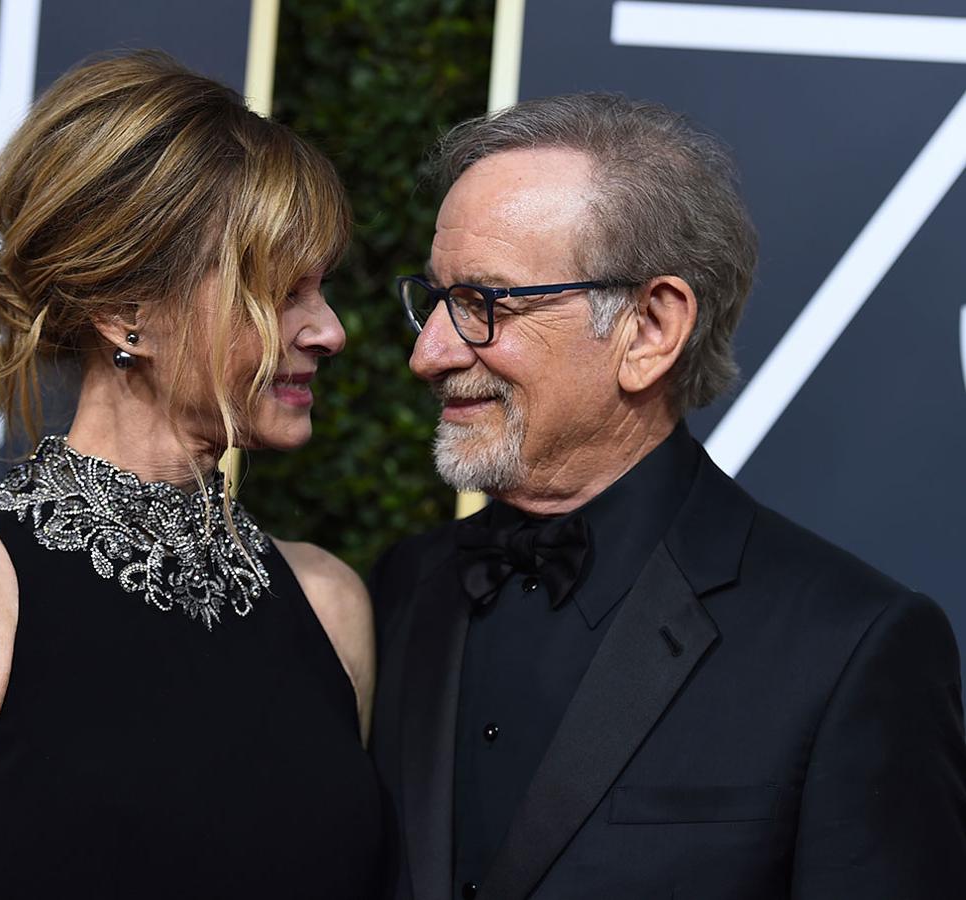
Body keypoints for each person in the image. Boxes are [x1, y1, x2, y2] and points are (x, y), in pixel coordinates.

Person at [370, 92, 966, 900]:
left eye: (484, 304)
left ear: (649, 329)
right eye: (436, 302)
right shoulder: (402, 588)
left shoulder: (850, 646)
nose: (430, 353)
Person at [0, 51, 383, 899]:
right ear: (129, 314)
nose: (329, 331)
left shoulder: (328, 604)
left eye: (322, 289)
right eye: (281, 293)